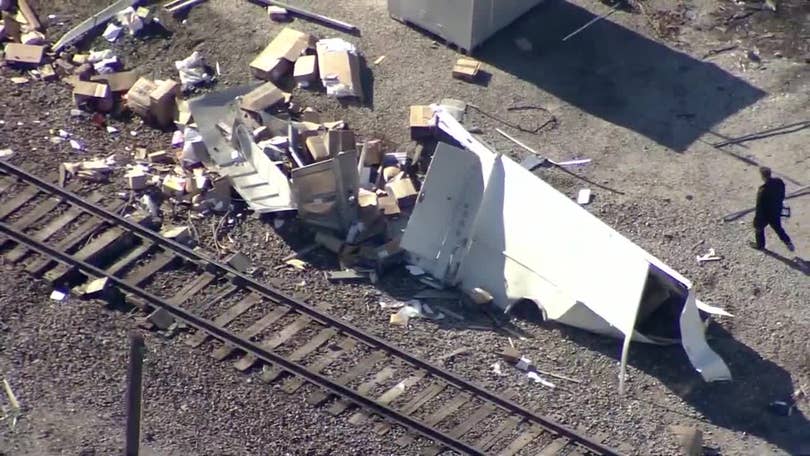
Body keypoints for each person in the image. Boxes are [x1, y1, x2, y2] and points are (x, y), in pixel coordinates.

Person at [752, 167, 794, 251]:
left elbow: (759, 206)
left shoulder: (762, 190)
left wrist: (757, 219)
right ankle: (788, 242)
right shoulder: (779, 182)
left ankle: (760, 245)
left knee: (759, 229)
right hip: (776, 210)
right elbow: (782, 194)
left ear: (762, 176)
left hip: (766, 214)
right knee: (778, 228)